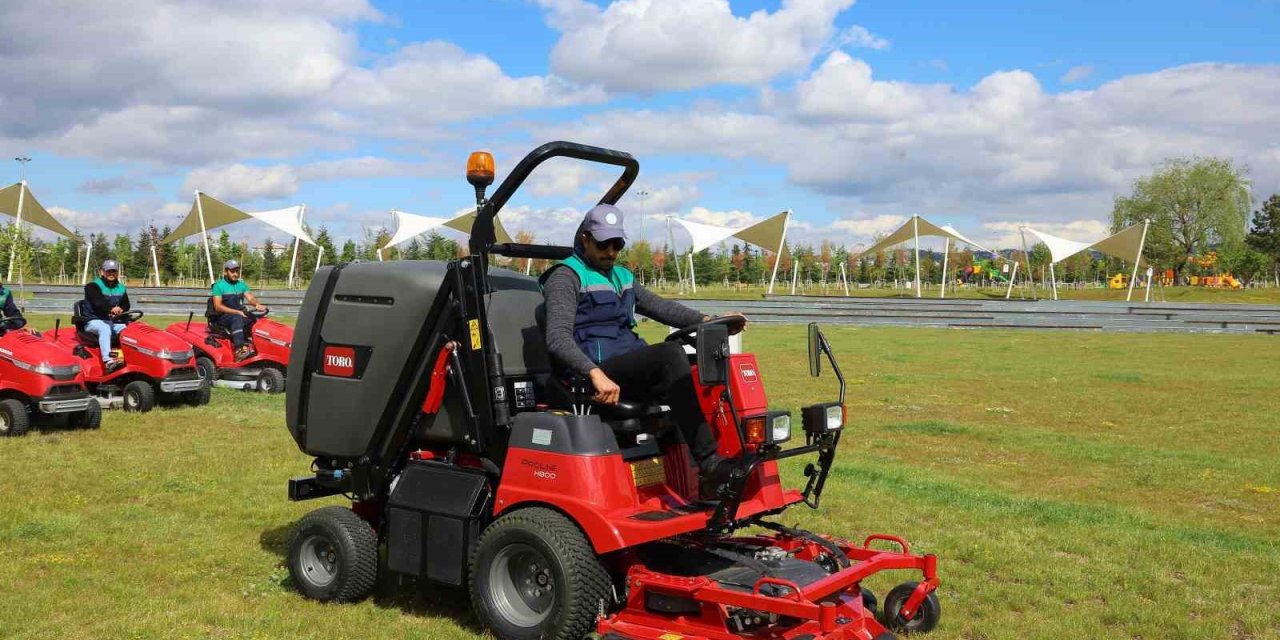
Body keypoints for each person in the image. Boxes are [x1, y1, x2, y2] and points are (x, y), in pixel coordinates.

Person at [539, 204, 746, 499]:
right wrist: (594, 374)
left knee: (693, 364)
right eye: (603, 244)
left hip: (624, 365)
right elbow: (558, 338)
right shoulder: (566, 277)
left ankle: (716, 462)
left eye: (617, 244)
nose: (611, 252)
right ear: (585, 238)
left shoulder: (623, 277)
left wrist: (708, 322)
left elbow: (663, 308)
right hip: (594, 371)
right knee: (669, 356)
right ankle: (710, 463)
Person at [209, 260, 266, 361]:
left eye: (237, 271)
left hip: (238, 314)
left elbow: (250, 297)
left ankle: (262, 346)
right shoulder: (218, 286)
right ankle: (239, 350)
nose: (235, 274)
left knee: (257, 320)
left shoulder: (241, 284)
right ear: (226, 272)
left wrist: (257, 304)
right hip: (222, 317)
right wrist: (237, 312)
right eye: (232, 271)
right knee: (237, 318)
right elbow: (217, 306)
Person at [83, 260, 131, 373]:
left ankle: (128, 358)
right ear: (102, 271)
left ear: (117, 272)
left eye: (114, 271)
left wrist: (121, 309)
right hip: (93, 320)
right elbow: (98, 302)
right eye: (108, 271)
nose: (111, 274)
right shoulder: (92, 286)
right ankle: (108, 361)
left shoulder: (121, 287)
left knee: (128, 329)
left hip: (111, 321)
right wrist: (111, 309)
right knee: (104, 329)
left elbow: (126, 304)